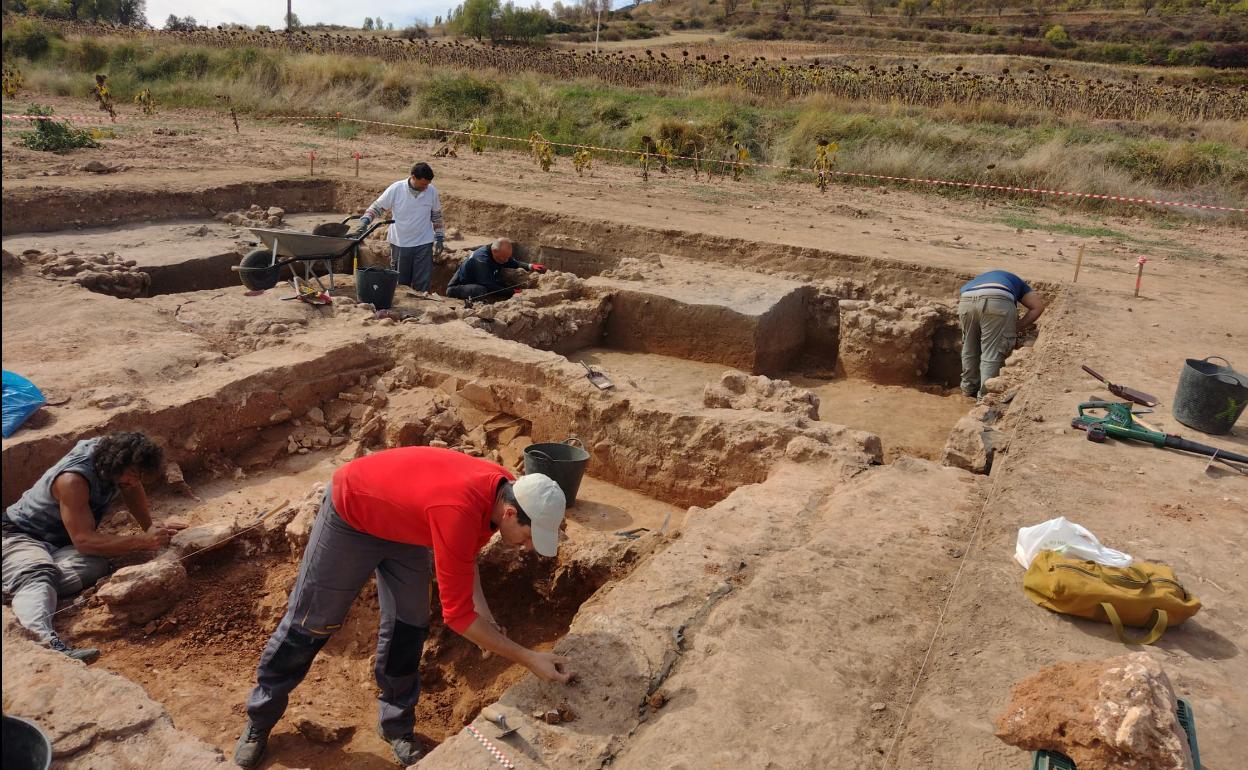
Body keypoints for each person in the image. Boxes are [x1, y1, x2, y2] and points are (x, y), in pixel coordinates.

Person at [233, 447, 573, 768]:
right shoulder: (459, 510)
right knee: (312, 623)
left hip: (406, 528)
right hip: (353, 512)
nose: (528, 547)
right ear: (510, 513)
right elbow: (456, 617)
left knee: (409, 626)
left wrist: (484, 614)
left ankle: (395, 724)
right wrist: (528, 658)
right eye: (529, 537)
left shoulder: (504, 490)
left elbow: (465, 558)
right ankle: (260, 718)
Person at [2, 432, 181, 662]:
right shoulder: (73, 480)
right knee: (39, 574)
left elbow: (132, 489)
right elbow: (84, 540)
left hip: (59, 543)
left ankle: (20, 584)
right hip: (18, 535)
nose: (135, 482)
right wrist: (142, 541)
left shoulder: (116, 460)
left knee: (96, 565)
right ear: (118, 464)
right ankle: (42, 642)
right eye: (133, 475)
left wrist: (152, 529)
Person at [354, 162, 445, 293]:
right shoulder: (396, 189)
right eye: (423, 184)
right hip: (401, 243)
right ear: (413, 177)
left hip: (424, 243)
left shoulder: (431, 191)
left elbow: (436, 216)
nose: (426, 188)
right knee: (401, 283)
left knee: (422, 282)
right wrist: (365, 221)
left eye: (427, 185)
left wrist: (440, 237)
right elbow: (377, 207)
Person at [958, 269, 1046, 398]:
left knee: (969, 349)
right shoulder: (1018, 282)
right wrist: (1018, 326)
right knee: (992, 352)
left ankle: (967, 390)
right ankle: (985, 397)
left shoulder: (978, 280)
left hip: (966, 301)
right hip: (997, 301)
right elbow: (1038, 306)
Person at [446, 238, 547, 303]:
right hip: (458, 287)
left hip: (475, 281)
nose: (506, 260)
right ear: (494, 251)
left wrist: (531, 266)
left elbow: (513, 262)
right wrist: (513, 291)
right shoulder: (481, 259)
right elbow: (489, 285)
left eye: (508, 257)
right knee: (482, 290)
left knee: (502, 283)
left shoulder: (498, 253)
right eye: (504, 258)